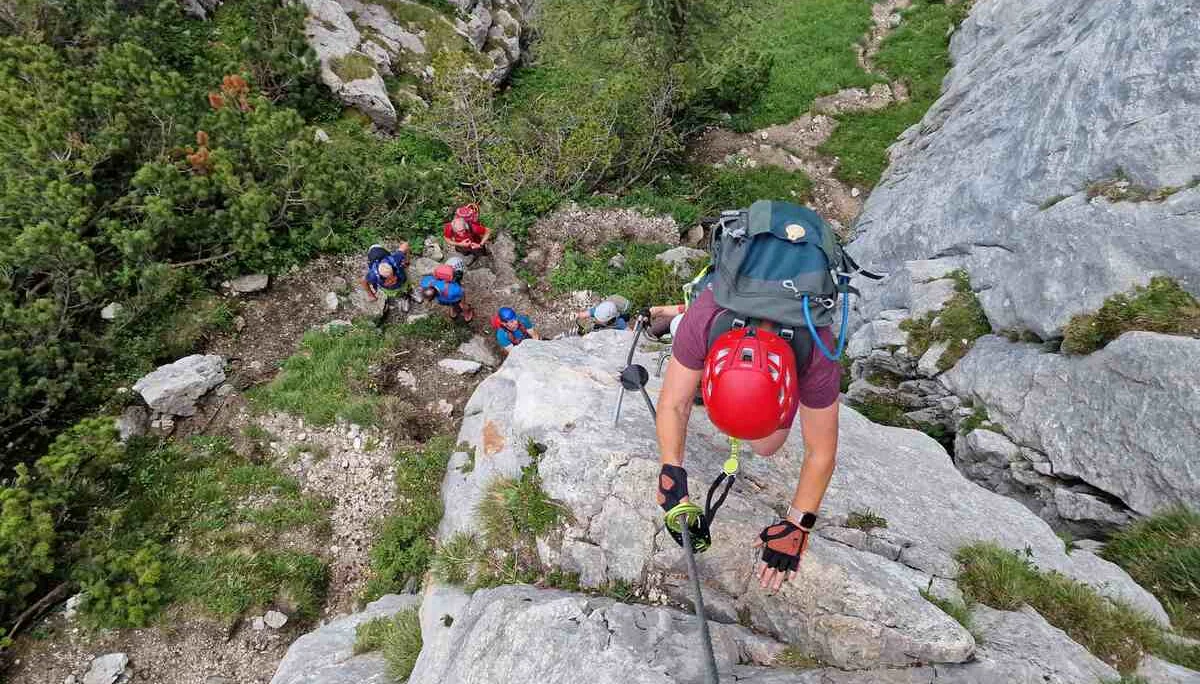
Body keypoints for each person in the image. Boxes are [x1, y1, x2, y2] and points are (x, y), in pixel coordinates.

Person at [655, 286, 841, 592]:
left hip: (794, 333)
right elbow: (675, 404)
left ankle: (750, 408)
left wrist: (797, 526)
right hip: (710, 319)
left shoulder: (817, 345)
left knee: (766, 445)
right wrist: (670, 470)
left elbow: (820, 452)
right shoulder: (706, 315)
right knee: (761, 437)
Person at [362, 242, 410, 322]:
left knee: (406, 286)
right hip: (388, 289)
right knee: (393, 292)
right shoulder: (373, 275)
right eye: (389, 280)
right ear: (380, 276)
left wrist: (407, 260)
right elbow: (363, 281)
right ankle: (400, 296)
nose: (393, 281)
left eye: (393, 276)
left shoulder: (395, 259)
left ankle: (406, 295)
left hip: (402, 280)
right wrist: (371, 295)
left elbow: (405, 245)